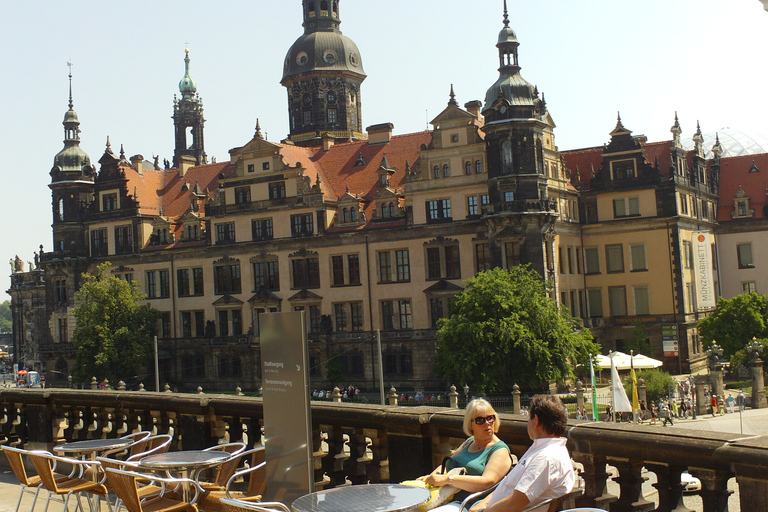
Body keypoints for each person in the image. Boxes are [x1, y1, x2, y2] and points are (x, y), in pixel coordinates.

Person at [470, 395, 575, 512]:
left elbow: (514, 504)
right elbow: (508, 485)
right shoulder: (542, 449)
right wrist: (483, 504)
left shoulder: (545, 458)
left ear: (536, 420)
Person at [424, 398, 512, 512]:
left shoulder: (500, 450)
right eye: (480, 420)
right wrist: (430, 477)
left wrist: (448, 479)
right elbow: (450, 463)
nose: (487, 423)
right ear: (470, 424)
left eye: (490, 418)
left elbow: (487, 482)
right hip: (443, 496)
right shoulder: (470, 442)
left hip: (466, 504)